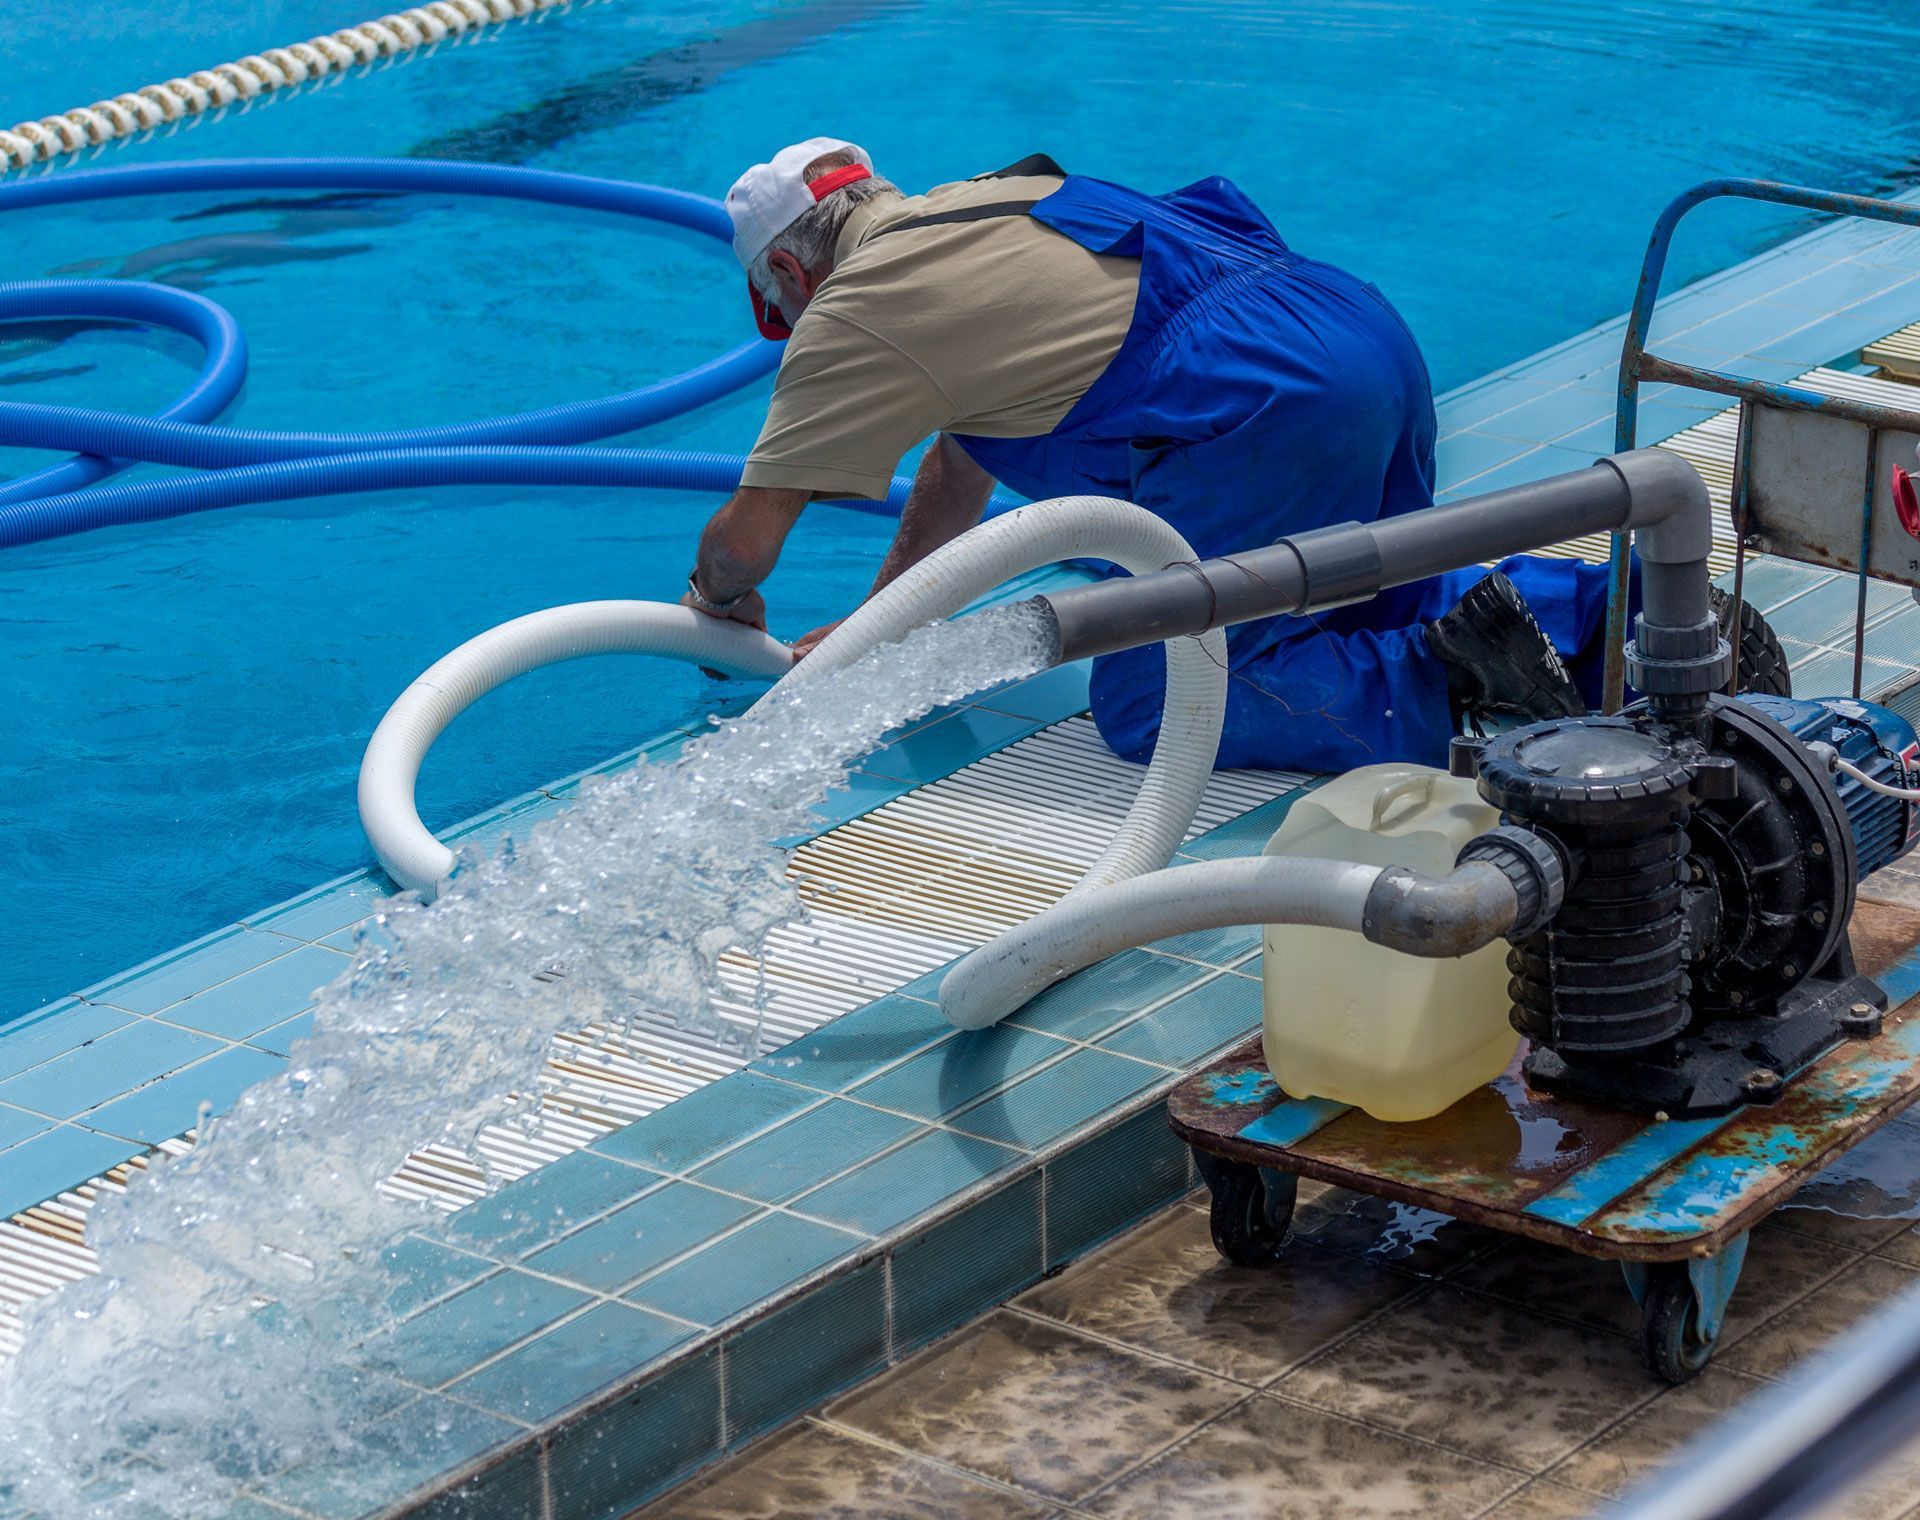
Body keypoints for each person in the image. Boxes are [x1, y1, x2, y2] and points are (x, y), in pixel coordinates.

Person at [680, 137, 1626, 772]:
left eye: (783, 312)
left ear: (792, 277)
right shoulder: (996, 199)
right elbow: (959, 461)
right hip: (1355, 331)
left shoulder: (854, 310)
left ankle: (1448, 686)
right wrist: (877, 630)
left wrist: (716, 602)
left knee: (1153, 702)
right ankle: (1599, 623)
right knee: (1366, 596)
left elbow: (745, 544)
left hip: (1257, 406)